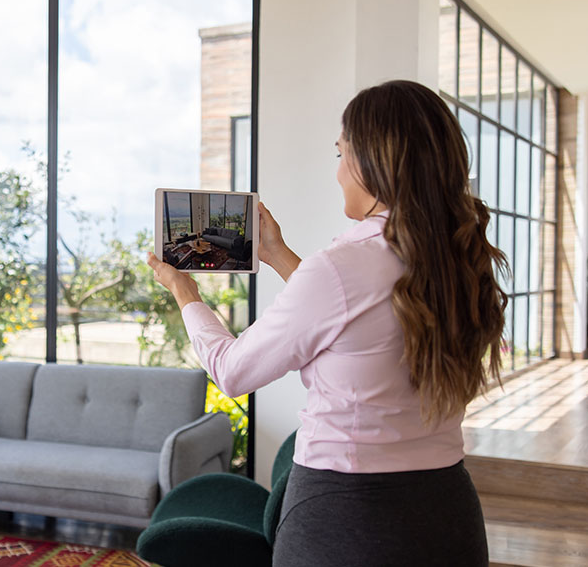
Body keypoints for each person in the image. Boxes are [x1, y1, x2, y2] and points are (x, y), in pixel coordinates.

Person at [146, 79, 506, 566]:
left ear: (372, 163)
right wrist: (277, 254)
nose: (338, 173)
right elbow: (361, 322)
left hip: (350, 516)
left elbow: (233, 372)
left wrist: (184, 293)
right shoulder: (461, 258)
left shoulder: (342, 266)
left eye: (341, 155)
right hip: (446, 509)